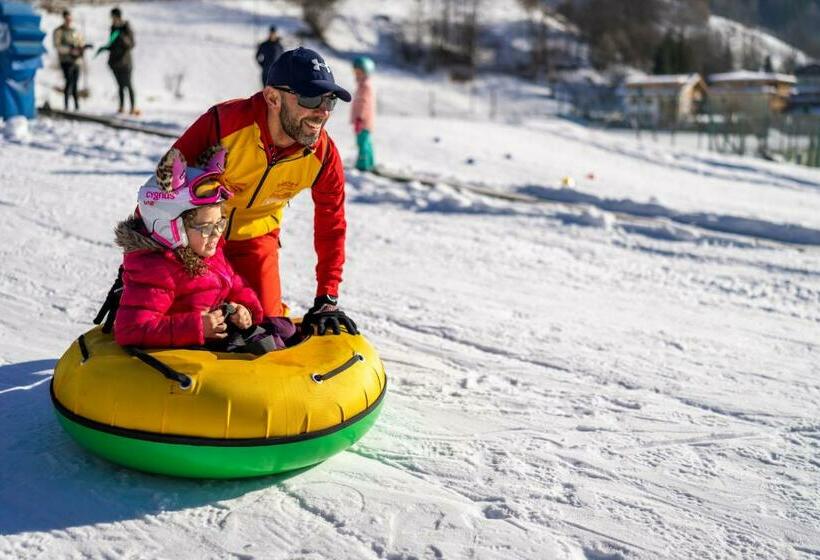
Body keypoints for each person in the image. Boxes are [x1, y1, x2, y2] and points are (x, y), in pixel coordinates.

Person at [172, 47, 358, 337]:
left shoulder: (323, 156)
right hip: (200, 240)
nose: (322, 111)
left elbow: (332, 225)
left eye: (329, 100)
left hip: (257, 240)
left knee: (270, 328)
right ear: (273, 98)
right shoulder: (225, 124)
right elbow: (162, 188)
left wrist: (327, 297)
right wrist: (135, 267)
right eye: (310, 98)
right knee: (194, 321)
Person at [113, 148, 264, 349]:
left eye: (220, 223)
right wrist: (197, 328)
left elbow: (235, 285)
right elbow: (131, 330)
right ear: (169, 227)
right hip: (182, 356)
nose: (216, 233)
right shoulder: (157, 271)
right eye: (205, 227)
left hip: (213, 345)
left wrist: (245, 310)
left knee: (282, 330)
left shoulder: (208, 252)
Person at [97, 7, 138, 115]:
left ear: (118, 16)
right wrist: (105, 48)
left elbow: (131, 44)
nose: (112, 19)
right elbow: (112, 44)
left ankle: (133, 107)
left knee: (128, 85)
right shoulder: (112, 28)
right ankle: (121, 107)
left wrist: (121, 36)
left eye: (113, 17)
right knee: (120, 86)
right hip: (115, 62)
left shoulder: (126, 27)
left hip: (125, 62)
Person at [52, 10, 87, 111]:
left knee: (75, 82)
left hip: (76, 61)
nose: (69, 21)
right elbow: (57, 46)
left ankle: (76, 105)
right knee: (69, 82)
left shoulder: (74, 31)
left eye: (70, 19)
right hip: (66, 61)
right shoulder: (59, 31)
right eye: (67, 19)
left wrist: (81, 48)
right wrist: (70, 50)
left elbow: (80, 42)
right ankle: (66, 105)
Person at [350, 56, 376, 171]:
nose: (356, 74)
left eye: (359, 72)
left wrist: (360, 118)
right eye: (355, 72)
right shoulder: (363, 85)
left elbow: (364, 103)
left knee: (362, 142)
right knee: (366, 141)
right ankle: (370, 162)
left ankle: (363, 164)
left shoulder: (365, 86)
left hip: (363, 120)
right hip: (365, 120)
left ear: (366, 72)